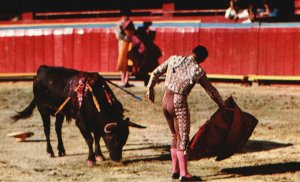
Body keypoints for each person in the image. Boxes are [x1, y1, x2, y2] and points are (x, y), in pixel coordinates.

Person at [146, 45, 226, 181]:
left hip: (165, 100)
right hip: (178, 103)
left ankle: (175, 170)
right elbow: (210, 90)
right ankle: (184, 174)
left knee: (174, 135)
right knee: (182, 139)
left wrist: (150, 88)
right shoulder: (197, 70)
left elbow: (155, 73)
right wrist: (221, 104)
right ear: (202, 59)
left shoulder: (174, 59)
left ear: (192, 52)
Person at [114, 15, 133, 87]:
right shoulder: (119, 24)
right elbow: (118, 35)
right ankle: (123, 80)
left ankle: (126, 81)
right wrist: (127, 38)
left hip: (129, 44)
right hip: (123, 44)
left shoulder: (128, 23)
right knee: (123, 61)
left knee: (128, 61)